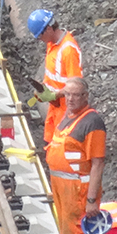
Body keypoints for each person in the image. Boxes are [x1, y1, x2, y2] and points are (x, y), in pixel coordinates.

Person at [45, 78, 106, 234]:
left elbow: (98, 164)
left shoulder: (92, 122)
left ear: (85, 97)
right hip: (61, 187)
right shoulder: (68, 115)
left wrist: (90, 201)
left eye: (75, 95)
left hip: (78, 191)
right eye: (67, 94)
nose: (70, 99)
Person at [25, 8, 83, 142]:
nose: (40, 39)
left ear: (49, 29)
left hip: (67, 110)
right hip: (56, 107)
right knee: (51, 144)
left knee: (61, 148)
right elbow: (54, 75)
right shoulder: (52, 44)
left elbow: (77, 86)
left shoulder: (68, 50)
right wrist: (43, 88)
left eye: (40, 35)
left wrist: (53, 95)